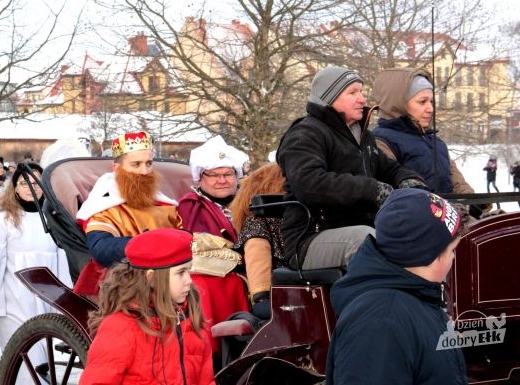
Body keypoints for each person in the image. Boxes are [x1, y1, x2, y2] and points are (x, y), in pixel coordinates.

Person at [276, 66, 425, 271]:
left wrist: (409, 181)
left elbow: (390, 169)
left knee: (420, 236)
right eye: (353, 92)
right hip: (311, 237)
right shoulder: (305, 133)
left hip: (364, 227)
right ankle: (372, 302)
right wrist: (372, 190)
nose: (363, 99)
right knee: (365, 240)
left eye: (362, 91)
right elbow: (309, 183)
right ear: (329, 97)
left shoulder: (363, 136)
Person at [326, 188, 467, 384]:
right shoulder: (381, 321)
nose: (453, 257)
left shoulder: (418, 297)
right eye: (452, 250)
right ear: (428, 254)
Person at [79, 228, 215, 385]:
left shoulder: (189, 319)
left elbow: (206, 380)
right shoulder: (121, 327)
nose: (189, 280)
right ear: (151, 278)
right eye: (180, 272)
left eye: (189, 271)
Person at [0, 162, 72, 383]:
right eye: (24, 182)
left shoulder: (55, 218)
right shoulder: (2, 220)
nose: (31, 187)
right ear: (15, 188)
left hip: (47, 301)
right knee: (23, 365)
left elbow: (62, 262)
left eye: (36, 182)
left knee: (44, 364)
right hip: (14, 303)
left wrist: (65, 303)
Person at [73, 131, 181, 297]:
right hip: (126, 281)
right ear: (117, 169)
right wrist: (150, 244)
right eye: (136, 164)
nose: (145, 172)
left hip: (173, 275)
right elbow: (101, 249)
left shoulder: (165, 205)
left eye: (149, 163)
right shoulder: (103, 205)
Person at [371, 68, 485, 218]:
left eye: (431, 101)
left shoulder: (435, 142)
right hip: (417, 227)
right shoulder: (381, 142)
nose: (430, 109)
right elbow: (396, 197)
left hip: (450, 221)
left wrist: (472, 202)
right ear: (398, 104)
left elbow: (457, 183)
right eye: (422, 102)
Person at [177, 136, 250, 354]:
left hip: (252, 266)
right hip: (217, 272)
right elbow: (196, 246)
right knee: (205, 287)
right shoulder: (192, 206)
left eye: (228, 174)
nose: (222, 180)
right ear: (200, 178)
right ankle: (212, 351)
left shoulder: (248, 202)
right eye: (214, 175)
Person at [230, 163, 287, 318]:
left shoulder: (286, 218)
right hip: (277, 291)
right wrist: (261, 294)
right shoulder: (257, 222)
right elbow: (257, 255)